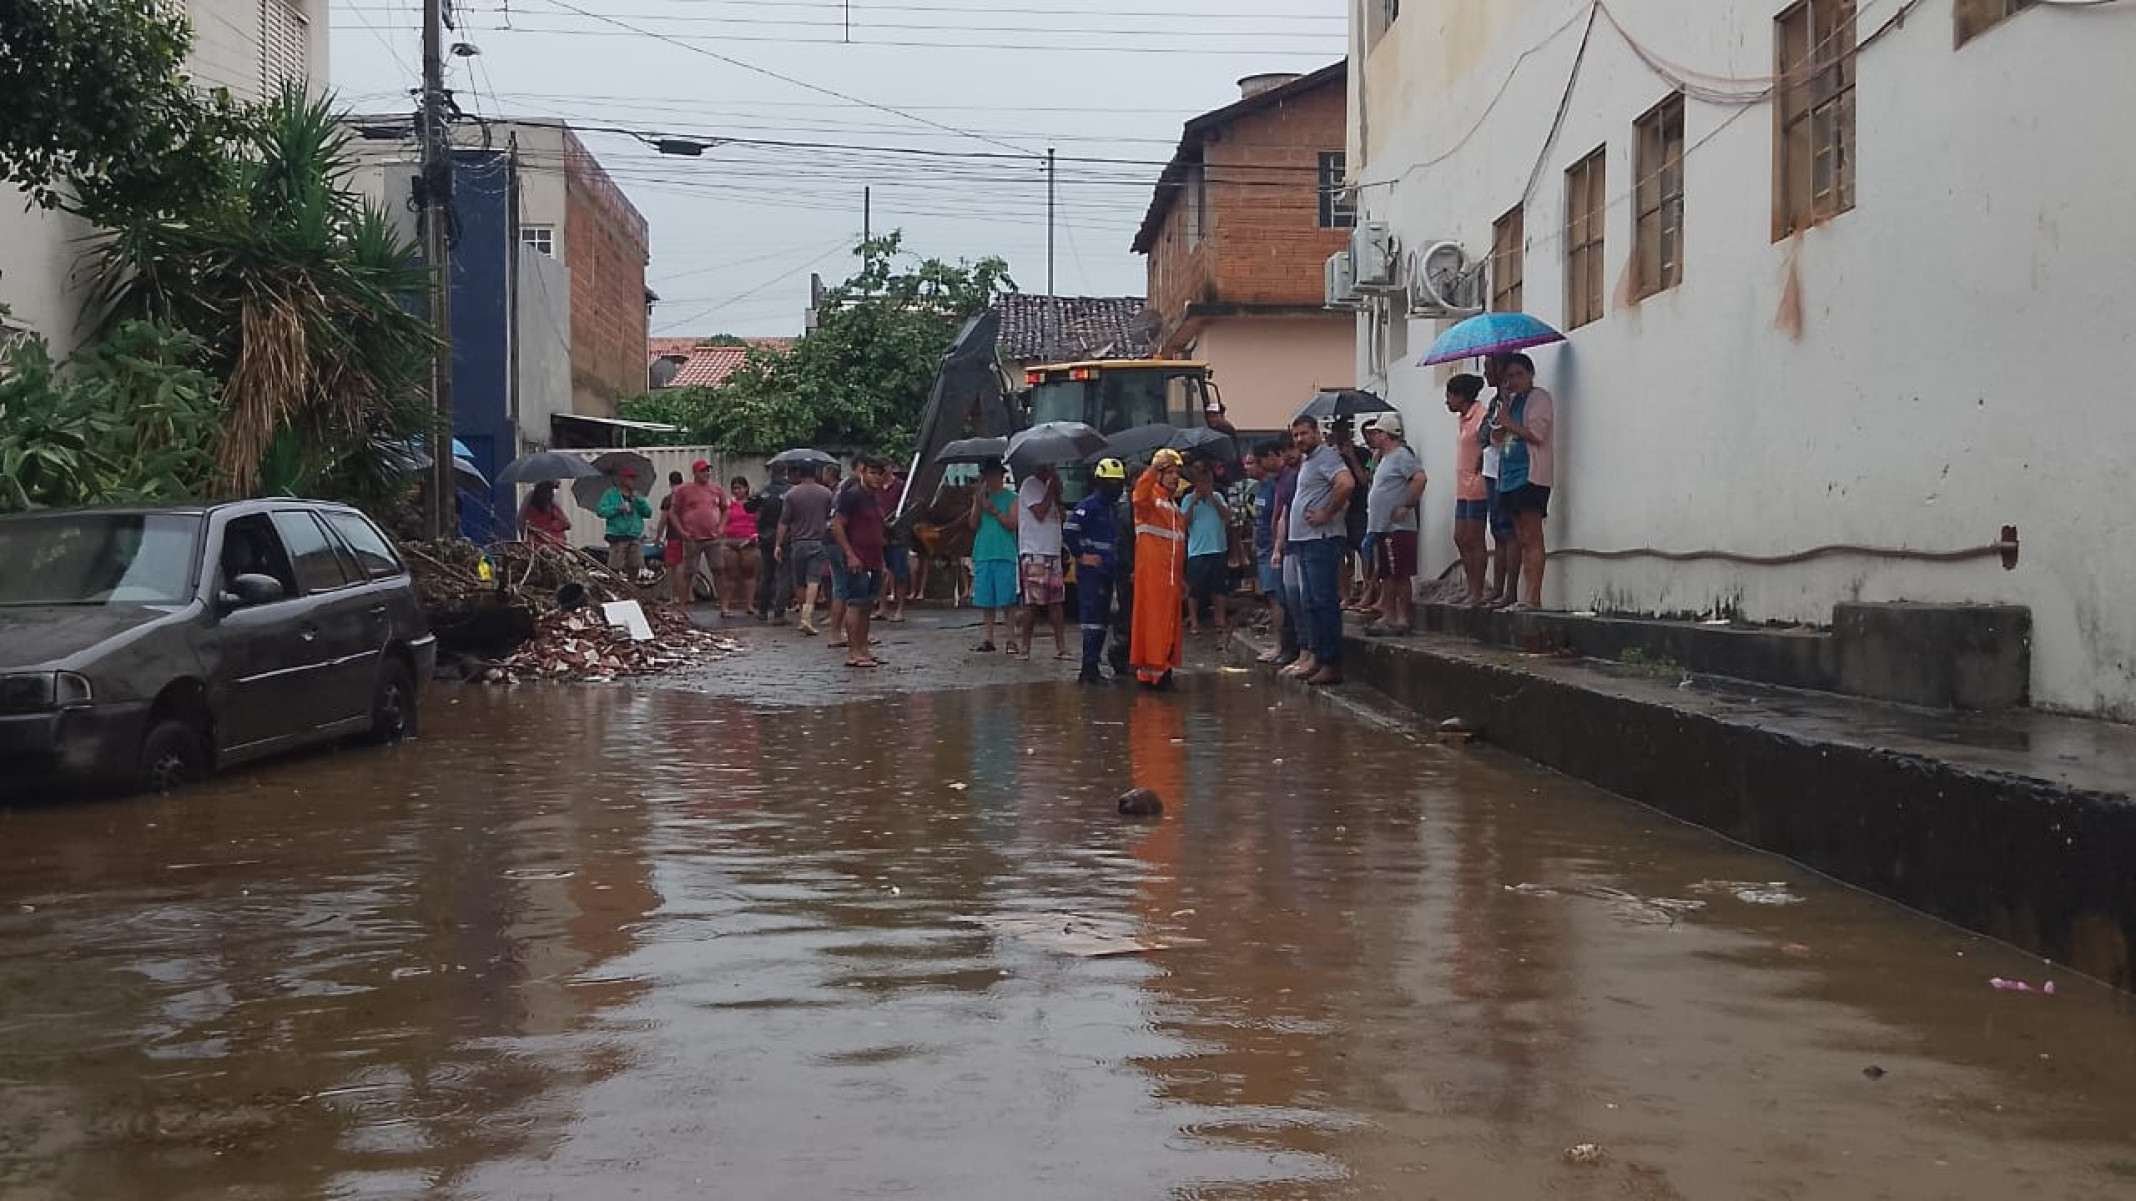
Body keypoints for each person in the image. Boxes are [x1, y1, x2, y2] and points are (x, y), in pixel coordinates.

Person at [1284, 415, 1354, 687]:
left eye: (1304, 433)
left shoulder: (1326, 456)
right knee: (1310, 602)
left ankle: (1331, 662)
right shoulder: (1308, 461)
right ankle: (1317, 658)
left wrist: (1328, 511)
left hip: (1321, 538)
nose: (1299, 439)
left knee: (1323, 602)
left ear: (1317, 432)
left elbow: (1346, 483)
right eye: (1295, 435)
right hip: (1305, 539)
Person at [1492, 352, 1556, 610]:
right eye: (1509, 376)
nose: (1514, 380)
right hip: (1509, 476)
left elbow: (1537, 435)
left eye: (1519, 374)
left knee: (1532, 536)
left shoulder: (1539, 398)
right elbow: (1497, 439)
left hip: (1530, 475)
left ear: (1530, 374)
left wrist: (1509, 423)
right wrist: (1502, 414)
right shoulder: (1512, 402)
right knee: (1519, 535)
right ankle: (1524, 596)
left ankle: (1533, 597)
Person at [1361, 411, 1426, 636]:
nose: (1373, 437)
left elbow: (1419, 478)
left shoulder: (1401, 456)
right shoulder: (1384, 459)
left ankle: (1402, 617)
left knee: (1400, 574)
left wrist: (1406, 505)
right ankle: (1388, 615)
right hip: (1382, 527)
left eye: (1376, 433)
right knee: (1386, 574)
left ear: (1385, 434)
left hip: (1397, 528)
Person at [1129, 448, 1190, 688]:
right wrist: (1154, 467)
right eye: (1170, 472)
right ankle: (1153, 672)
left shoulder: (1173, 507)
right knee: (1155, 623)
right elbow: (1139, 496)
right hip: (1154, 577)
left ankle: (1162, 668)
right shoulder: (1150, 501)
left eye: (1177, 473)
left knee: (1169, 625)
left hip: (1172, 578)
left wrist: (1182, 577)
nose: (1175, 477)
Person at [1064, 457, 1127, 684]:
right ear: (1100, 482)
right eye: (1112, 483)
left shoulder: (1113, 509)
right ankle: (1088, 669)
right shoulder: (1088, 506)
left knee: (1102, 621)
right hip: (1092, 574)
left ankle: (1093, 667)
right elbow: (1070, 531)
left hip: (1109, 571)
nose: (1116, 488)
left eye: (1119, 483)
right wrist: (1082, 556)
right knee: (1092, 620)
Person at [830, 456, 891, 669]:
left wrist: (882, 561)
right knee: (855, 603)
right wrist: (850, 554)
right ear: (863, 472)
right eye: (872, 473)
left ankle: (864, 649)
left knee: (866, 605)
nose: (876, 478)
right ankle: (854, 652)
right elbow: (837, 525)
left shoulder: (874, 497)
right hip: (857, 558)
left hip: (874, 558)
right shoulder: (852, 496)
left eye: (879, 473)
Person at [1444, 373, 1491, 604]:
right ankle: (1471, 585)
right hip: (1462, 486)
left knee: (1474, 538)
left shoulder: (1481, 416)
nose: (1447, 401)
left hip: (1477, 485)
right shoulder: (1463, 418)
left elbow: (1487, 445)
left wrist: (1479, 470)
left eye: (1450, 395)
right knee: (1460, 537)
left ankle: (1478, 590)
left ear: (1461, 396)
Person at [1015, 463, 1069, 660]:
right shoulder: (1030, 485)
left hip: (1052, 551)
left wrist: (1057, 494)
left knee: (1056, 602)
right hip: (1034, 552)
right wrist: (1050, 490)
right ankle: (1025, 647)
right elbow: (1039, 512)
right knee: (1032, 603)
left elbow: (1060, 516)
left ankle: (1061, 647)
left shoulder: (1050, 491)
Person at [1478, 355, 1521, 607]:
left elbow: (1495, 435)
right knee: (1497, 529)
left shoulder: (1511, 401)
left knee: (1509, 530)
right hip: (1491, 469)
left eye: (1488, 368)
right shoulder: (1495, 401)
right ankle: (1498, 587)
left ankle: (1510, 590)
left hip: (1505, 469)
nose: (1485, 374)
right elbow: (1484, 435)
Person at [775, 464, 834, 636]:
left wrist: (778, 544)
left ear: (799, 474)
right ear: (816, 473)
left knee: (799, 581)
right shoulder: (826, 493)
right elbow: (832, 517)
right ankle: (808, 615)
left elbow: (784, 521)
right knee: (814, 580)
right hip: (818, 541)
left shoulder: (791, 494)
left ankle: (803, 615)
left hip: (798, 542)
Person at [968, 461, 1021, 653]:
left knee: (1007, 599)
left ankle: (1011, 638)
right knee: (986, 599)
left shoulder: (1012, 498)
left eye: (993, 475)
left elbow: (1012, 524)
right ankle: (988, 638)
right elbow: (973, 525)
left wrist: (994, 510)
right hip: (984, 551)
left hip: (1004, 552)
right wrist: (977, 503)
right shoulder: (981, 497)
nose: (989, 479)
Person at [666, 460, 728, 608]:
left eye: (707, 470)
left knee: (719, 569)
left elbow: (725, 509)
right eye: (702, 471)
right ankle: (683, 606)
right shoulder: (684, 490)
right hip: (692, 538)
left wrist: (721, 527)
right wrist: (682, 531)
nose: (706, 473)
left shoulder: (716, 489)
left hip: (712, 537)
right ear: (695, 473)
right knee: (688, 572)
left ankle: (724, 606)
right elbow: (673, 512)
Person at [1264, 439, 1305, 667]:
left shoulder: (1303, 474)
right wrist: (1278, 547)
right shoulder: (1286, 478)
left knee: (1300, 600)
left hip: (1306, 543)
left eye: (1291, 449)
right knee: (1289, 599)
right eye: (1285, 450)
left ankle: (1300, 649)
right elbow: (1283, 514)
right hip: (1288, 544)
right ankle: (1291, 648)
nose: (1288, 454)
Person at [1180, 461, 1231, 636]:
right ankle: (1194, 621)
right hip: (1197, 551)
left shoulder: (1217, 497)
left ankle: (1220, 619)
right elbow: (1183, 524)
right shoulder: (1188, 499)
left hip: (1218, 548)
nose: (1205, 486)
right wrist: (1194, 501)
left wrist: (1213, 500)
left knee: (1219, 587)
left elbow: (1227, 517)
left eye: (1208, 482)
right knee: (1195, 589)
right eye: (1201, 482)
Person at [1247, 441, 1288, 655]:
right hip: (1263, 549)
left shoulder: (1274, 486)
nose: (1248, 467)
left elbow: (1278, 517)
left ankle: (1281, 645)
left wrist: (1276, 548)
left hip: (1273, 550)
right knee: (1271, 596)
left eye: (1253, 462)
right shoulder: (1260, 489)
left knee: (1276, 597)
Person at [748, 465, 789, 621]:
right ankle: (779, 613)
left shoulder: (763, 491)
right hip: (785, 536)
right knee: (784, 575)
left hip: (765, 536)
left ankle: (763, 610)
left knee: (767, 574)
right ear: (785, 472)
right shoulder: (790, 491)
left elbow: (748, 507)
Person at [596, 468, 652, 576]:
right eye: (630, 478)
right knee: (615, 568)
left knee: (636, 567)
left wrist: (639, 501)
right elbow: (600, 511)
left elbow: (648, 513)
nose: (633, 481)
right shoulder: (610, 494)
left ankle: (632, 588)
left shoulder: (637, 496)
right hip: (618, 536)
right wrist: (618, 508)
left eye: (634, 478)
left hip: (634, 536)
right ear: (622, 479)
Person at [875, 468, 911, 623]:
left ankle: (900, 608)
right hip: (877, 534)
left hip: (897, 536)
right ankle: (882, 607)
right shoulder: (875, 487)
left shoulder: (901, 486)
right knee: (879, 572)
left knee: (900, 573)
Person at [722, 476, 760, 620]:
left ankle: (749, 605)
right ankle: (725, 606)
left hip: (748, 541)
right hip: (731, 541)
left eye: (740, 488)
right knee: (729, 575)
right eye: (734, 488)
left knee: (749, 574)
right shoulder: (729, 505)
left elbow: (758, 521)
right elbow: (723, 521)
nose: (737, 491)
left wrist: (755, 536)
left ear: (746, 489)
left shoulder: (752, 505)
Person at [519, 480, 571, 547]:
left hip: (557, 547)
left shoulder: (553, 507)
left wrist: (554, 525)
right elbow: (524, 525)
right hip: (538, 548)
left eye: (551, 490)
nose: (551, 494)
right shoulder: (530, 509)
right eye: (547, 490)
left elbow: (567, 524)